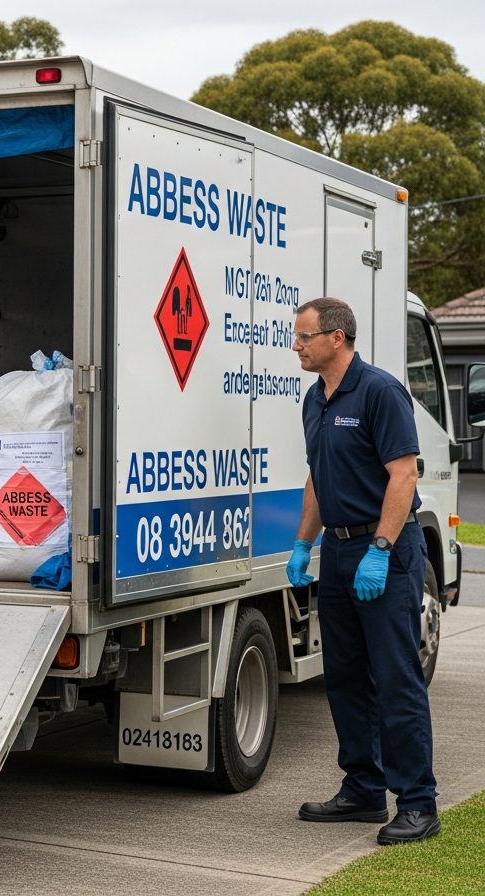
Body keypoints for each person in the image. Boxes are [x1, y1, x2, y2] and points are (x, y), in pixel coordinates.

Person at [286, 297, 439, 845]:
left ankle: (419, 802)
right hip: (339, 552)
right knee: (346, 677)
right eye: (295, 336)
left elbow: (403, 476)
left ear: (338, 338)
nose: (296, 346)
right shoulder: (314, 399)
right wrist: (303, 545)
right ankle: (363, 790)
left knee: (396, 677)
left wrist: (380, 547)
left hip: (386, 555)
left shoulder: (379, 391)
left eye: (304, 337)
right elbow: (317, 478)